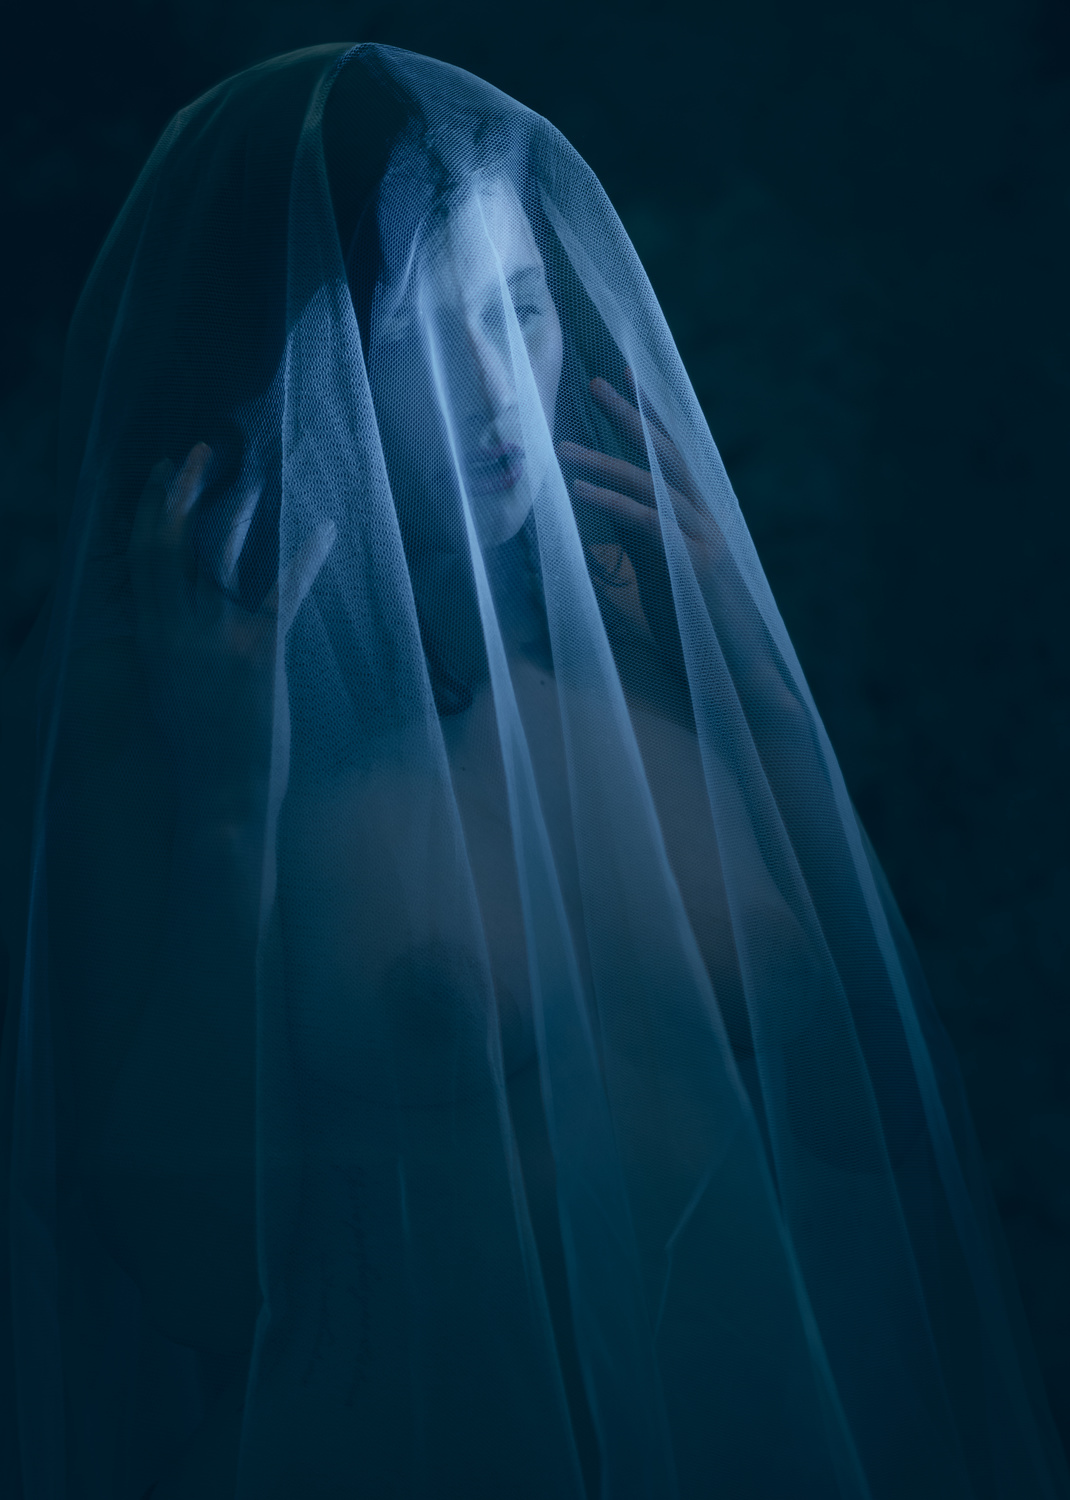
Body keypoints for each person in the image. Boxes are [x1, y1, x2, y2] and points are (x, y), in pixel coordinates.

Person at [0, 41, 1065, 1500]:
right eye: (424, 333)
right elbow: (190, 1277)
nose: (505, 392)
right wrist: (230, 808)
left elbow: (871, 1123)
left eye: (521, 309)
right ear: (298, 364)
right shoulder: (175, 735)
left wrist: (753, 698)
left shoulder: (642, 677)